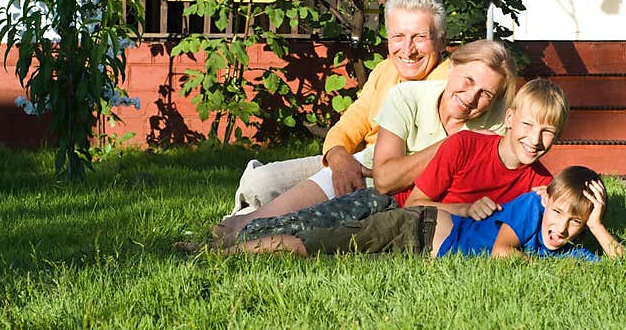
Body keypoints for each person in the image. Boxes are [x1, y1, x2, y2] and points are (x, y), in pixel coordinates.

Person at [199, 77, 564, 252]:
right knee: (302, 221)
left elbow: (563, 214)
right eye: (528, 125)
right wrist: (466, 208)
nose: (535, 139)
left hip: (411, 229)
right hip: (389, 203)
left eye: (548, 131)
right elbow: (419, 202)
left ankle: (233, 242)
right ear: (511, 118)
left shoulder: (539, 185)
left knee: (315, 239)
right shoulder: (466, 144)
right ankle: (222, 236)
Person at [213, 38, 517, 244]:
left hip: (404, 204)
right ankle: (231, 224)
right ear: (452, 69)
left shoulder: (499, 121)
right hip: (365, 176)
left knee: (307, 228)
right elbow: (384, 180)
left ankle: (247, 224)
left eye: (486, 94)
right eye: (468, 81)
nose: (472, 98)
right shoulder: (407, 96)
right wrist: (456, 142)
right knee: (254, 215)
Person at [217, 0, 451, 228]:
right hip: (353, 161)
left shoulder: (451, 83)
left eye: (420, 37)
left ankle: (244, 225)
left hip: (380, 173)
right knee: (261, 182)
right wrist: (339, 158)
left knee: (268, 191)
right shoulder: (385, 70)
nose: (408, 50)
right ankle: (244, 222)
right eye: (398, 37)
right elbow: (349, 124)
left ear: (442, 40)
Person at [210, 166, 626, 262]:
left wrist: (597, 226)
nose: (561, 228)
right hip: (416, 229)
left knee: (328, 241)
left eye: (575, 222)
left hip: (417, 245)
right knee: (315, 245)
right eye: (559, 213)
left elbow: (622, 267)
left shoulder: (564, 246)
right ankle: (220, 250)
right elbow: (502, 254)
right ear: (545, 200)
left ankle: (229, 242)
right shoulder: (528, 210)